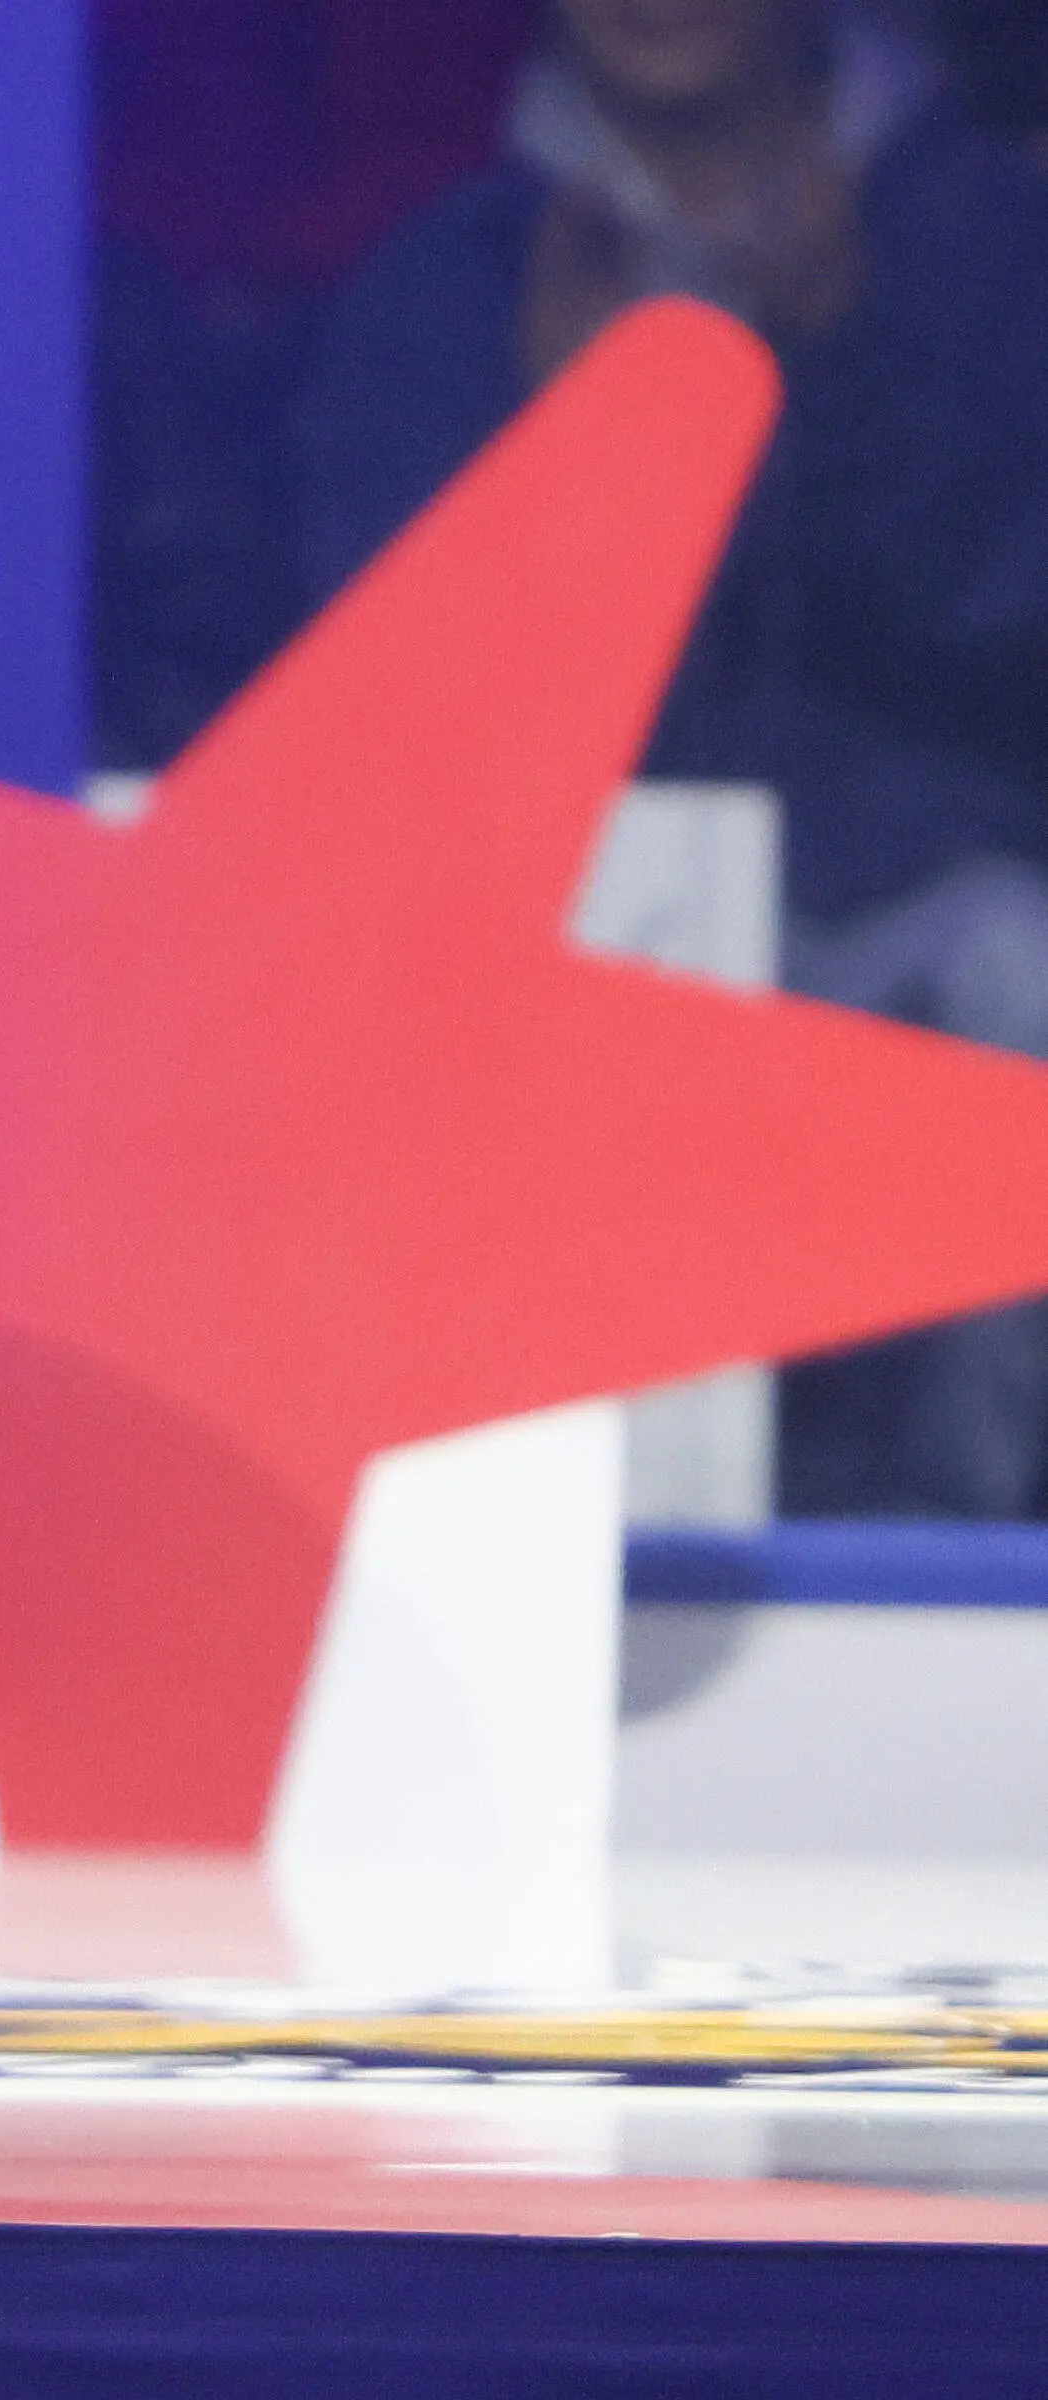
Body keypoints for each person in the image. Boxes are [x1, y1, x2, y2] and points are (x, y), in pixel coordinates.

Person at [299, 0, 1048, 1513]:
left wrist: (838, 361)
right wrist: (559, 445)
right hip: (566, 899)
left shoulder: (981, 238)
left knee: (1020, 983)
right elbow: (365, 696)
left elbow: (1000, 615)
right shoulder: (450, 271)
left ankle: (984, 1559)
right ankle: (557, 1558)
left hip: (913, 882)